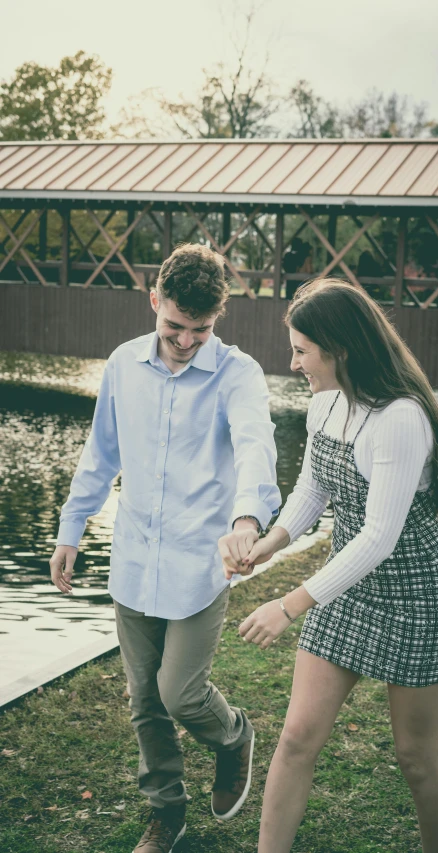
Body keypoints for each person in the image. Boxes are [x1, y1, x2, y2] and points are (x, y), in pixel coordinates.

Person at [49, 243, 281, 853]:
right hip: (132, 559)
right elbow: (101, 453)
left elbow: (257, 445)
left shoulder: (240, 374)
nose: (184, 341)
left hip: (200, 565)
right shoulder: (124, 365)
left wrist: (248, 518)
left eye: (199, 330)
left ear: (218, 319)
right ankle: (166, 813)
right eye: (174, 325)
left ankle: (233, 737)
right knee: (144, 702)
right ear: (154, 301)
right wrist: (72, 527)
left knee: (180, 693)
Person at [221, 277, 438, 853]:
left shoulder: (400, 418)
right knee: (298, 737)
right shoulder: (325, 401)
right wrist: (270, 542)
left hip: (414, 595)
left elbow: (378, 537)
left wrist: (288, 604)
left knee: (416, 758)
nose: (294, 360)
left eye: (302, 349)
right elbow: (312, 488)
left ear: (340, 349)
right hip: (347, 589)